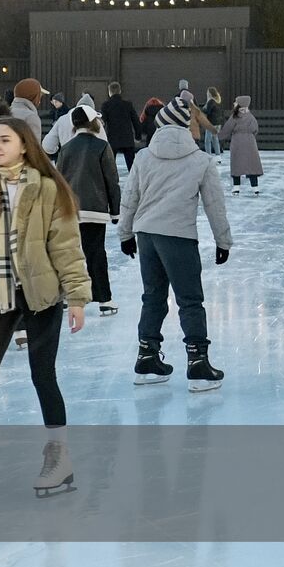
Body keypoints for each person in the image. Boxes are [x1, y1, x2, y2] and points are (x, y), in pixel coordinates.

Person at [0, 116, 90, 497]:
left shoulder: (46, 189)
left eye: (4, 140)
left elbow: (66, 247)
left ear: (25, 145)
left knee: (42, 374)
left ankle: (59, 457)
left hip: (40, 294)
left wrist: (76, 296)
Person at [118, 97, 232, 392]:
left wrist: (125, 234)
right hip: (178, 237)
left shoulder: (143, 157)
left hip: (147, 236)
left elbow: (130, 198)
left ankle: (147, 357)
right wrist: (223, 241)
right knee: (190, 300)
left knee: (153, 296)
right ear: (186, 125)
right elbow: (214, 205)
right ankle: (198, 364)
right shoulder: (201, 160)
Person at [55, 106, 120, 316]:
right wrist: (115, 210)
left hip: (70, 210)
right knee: (96, 254)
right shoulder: (102, 146)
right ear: (93, 122)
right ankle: (104, 299)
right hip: (95, 210)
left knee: (70, 254)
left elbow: (59, 180)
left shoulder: (66, 148)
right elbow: (112, 180)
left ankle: (67, 296)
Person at [218, 96, 262, 195]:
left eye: (236, 102)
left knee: (236, 164)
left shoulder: (235, 117)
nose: (234, 103)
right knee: (252, 165)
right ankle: (255, 188)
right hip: (250, 143)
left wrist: (218, 136)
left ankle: (236, 187)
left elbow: (227, 129)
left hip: (237, 142)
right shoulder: (251, 117)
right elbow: (255, 129)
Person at [41, 93, 107, 158]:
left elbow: (48, 145)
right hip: (91, 162)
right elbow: (104, 147)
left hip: (67, 160)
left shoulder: (62, 120)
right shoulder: (96, 122)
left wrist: (58, 150)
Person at [99, 82, 142, 173]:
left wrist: (101, 138)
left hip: (112, 139)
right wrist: (138, 136)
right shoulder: (128, 105)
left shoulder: (106, 105)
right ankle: (135, 185)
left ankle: (112, 184)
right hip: (127, 139)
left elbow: (102, 122)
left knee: (110, 168)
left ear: (109, 92)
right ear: (120, 91)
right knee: (132, 168)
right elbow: (136, 121)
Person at [200, 88, 224, 160]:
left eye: (207, 92)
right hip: (218, 124)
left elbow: (208, 112)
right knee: (215, 139)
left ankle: (208, 157)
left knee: (207, 141)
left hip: (211, 123)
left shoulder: (211, 101)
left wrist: (202, 109)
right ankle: (218, 156)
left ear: (209, 93)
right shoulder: (218, 101)